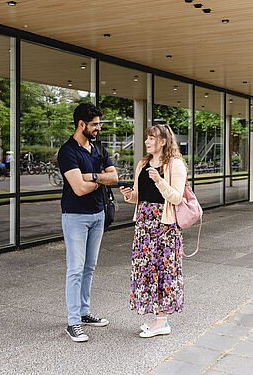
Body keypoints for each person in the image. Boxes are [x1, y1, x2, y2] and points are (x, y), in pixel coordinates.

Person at [57, 103, 118, 342]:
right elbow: (79, 189)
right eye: (94, 124)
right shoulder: (67, 151)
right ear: (81, 124)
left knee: (89, 268)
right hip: (75, 216)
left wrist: (93, 176)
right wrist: (99, 180)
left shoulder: (98, 148)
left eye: (99, 124)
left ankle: (84, 312)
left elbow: (113, 177)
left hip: (98, 213)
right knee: (75, 269)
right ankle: (73, 322)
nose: (98, 128)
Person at [119, 124, 187, 338]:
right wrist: (129, 195)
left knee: (164, 271)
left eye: (152, 138)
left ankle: (163, 322)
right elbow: (140, 197)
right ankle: (158, 319)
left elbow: (176, 197)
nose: (147, 142)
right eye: (147, 138)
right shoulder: (143, 163)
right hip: (144, 224)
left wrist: (159, 181)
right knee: (147, 269)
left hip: (164, 226)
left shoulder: (175, 164)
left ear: (164, 142)